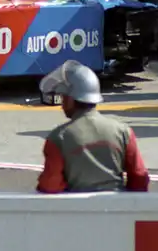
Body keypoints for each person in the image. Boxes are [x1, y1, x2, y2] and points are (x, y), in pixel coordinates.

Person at [35, 60, 150, 193]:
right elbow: (139, 178)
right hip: (116, 208)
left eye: (63, 97)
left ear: (71, 99)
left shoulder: (59, 137)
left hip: (76, 210)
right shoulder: (124, 132)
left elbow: (50, 185)